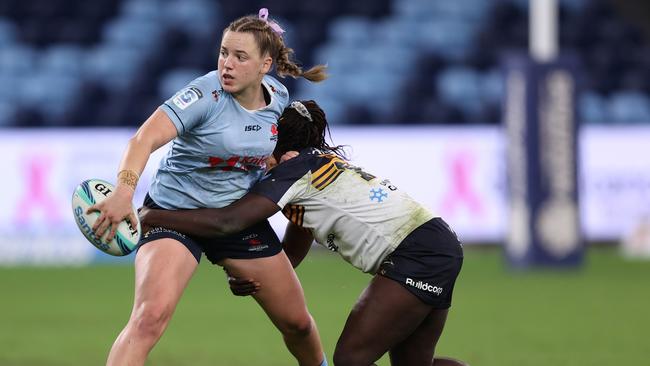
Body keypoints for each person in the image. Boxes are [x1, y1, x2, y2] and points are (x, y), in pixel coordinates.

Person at [138, 100, 468, 366]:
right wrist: (251, 270)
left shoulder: (292, 170)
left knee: (351, 358)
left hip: (419, 253)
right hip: (435, 244)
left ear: (281, 147)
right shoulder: (310, 171)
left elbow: (227, 222)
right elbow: (292, 254)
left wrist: (152, 214)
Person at [88, 9, 329, 366]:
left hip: (234, 218)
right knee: (148, 319)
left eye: (240, 56)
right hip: (173, 215)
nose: (226, 65)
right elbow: (142, 140)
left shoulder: (278, 96)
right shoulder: (203, 96)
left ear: (265, 65)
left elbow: (270, 156)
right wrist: (124, 192)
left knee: (298, 324)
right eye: (223, 52)